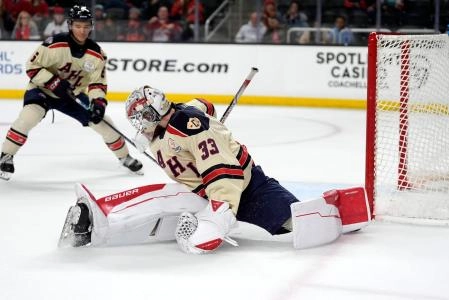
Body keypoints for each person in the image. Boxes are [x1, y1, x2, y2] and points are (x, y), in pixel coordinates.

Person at [58, 85, 371, 254]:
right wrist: (202, 111)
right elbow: (203, 104)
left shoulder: (187, 127)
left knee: (295, 222)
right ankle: (98, 213)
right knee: (165, 196)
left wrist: (220, 213)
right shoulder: (168, 127)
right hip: (203, 190)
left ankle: (347, 211)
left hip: (248, 187)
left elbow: (224, 171)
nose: (139, 124)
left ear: (155, 111)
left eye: (142, 116)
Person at [0, 5, 143, 180]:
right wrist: (53, 83)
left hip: (73, 95)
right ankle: (6, 155)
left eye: (85, 26)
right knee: (28, 117)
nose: (82, 30)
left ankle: (124, 157)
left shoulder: (97, 54)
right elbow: (32, 67)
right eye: (77, 26)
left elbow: (98, 83)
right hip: (42, 91)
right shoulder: (53, 44)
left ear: (91, 26)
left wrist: (98, 103)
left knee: (105, 124)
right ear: (70, 25)